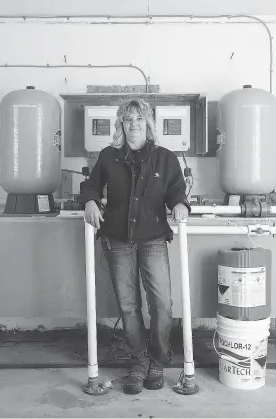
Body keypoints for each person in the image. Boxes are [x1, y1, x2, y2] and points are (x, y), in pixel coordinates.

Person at [79, 99, 190, 395]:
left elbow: (176, 190)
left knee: (162, 304)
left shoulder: (165, 158)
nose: (133, 124)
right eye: (128, 119)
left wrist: (180, 204)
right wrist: (89, 201)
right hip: (117, 240)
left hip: (153, 238)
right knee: (129, 306)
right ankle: (138, 363)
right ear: (121, 124)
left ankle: (158, 361)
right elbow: (90, 185)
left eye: (139, 119)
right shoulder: (108, 156)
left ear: (148, 123)